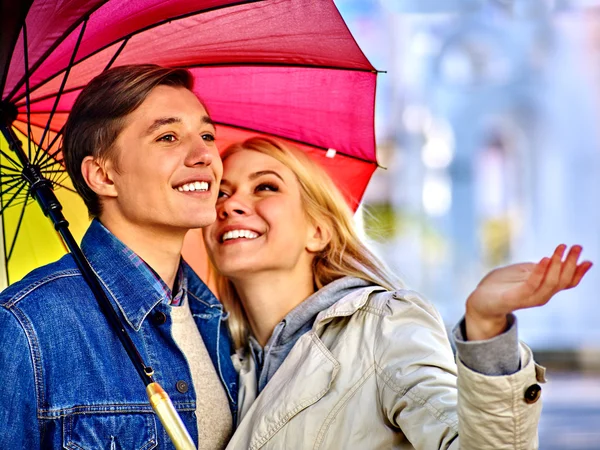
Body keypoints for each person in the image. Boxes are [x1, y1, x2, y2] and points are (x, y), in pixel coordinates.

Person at [202, 137, 593, 450]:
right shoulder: (215, 358)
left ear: (318, 231)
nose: (231, 204)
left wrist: (486, 329)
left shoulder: (382, 328)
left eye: (265, 187)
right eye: (220, 193)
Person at [0, 65, 238, 449]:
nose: (204, 154)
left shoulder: (218, 320)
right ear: (103, 176)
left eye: (207, 134)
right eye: (168, 136)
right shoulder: (26, 328)